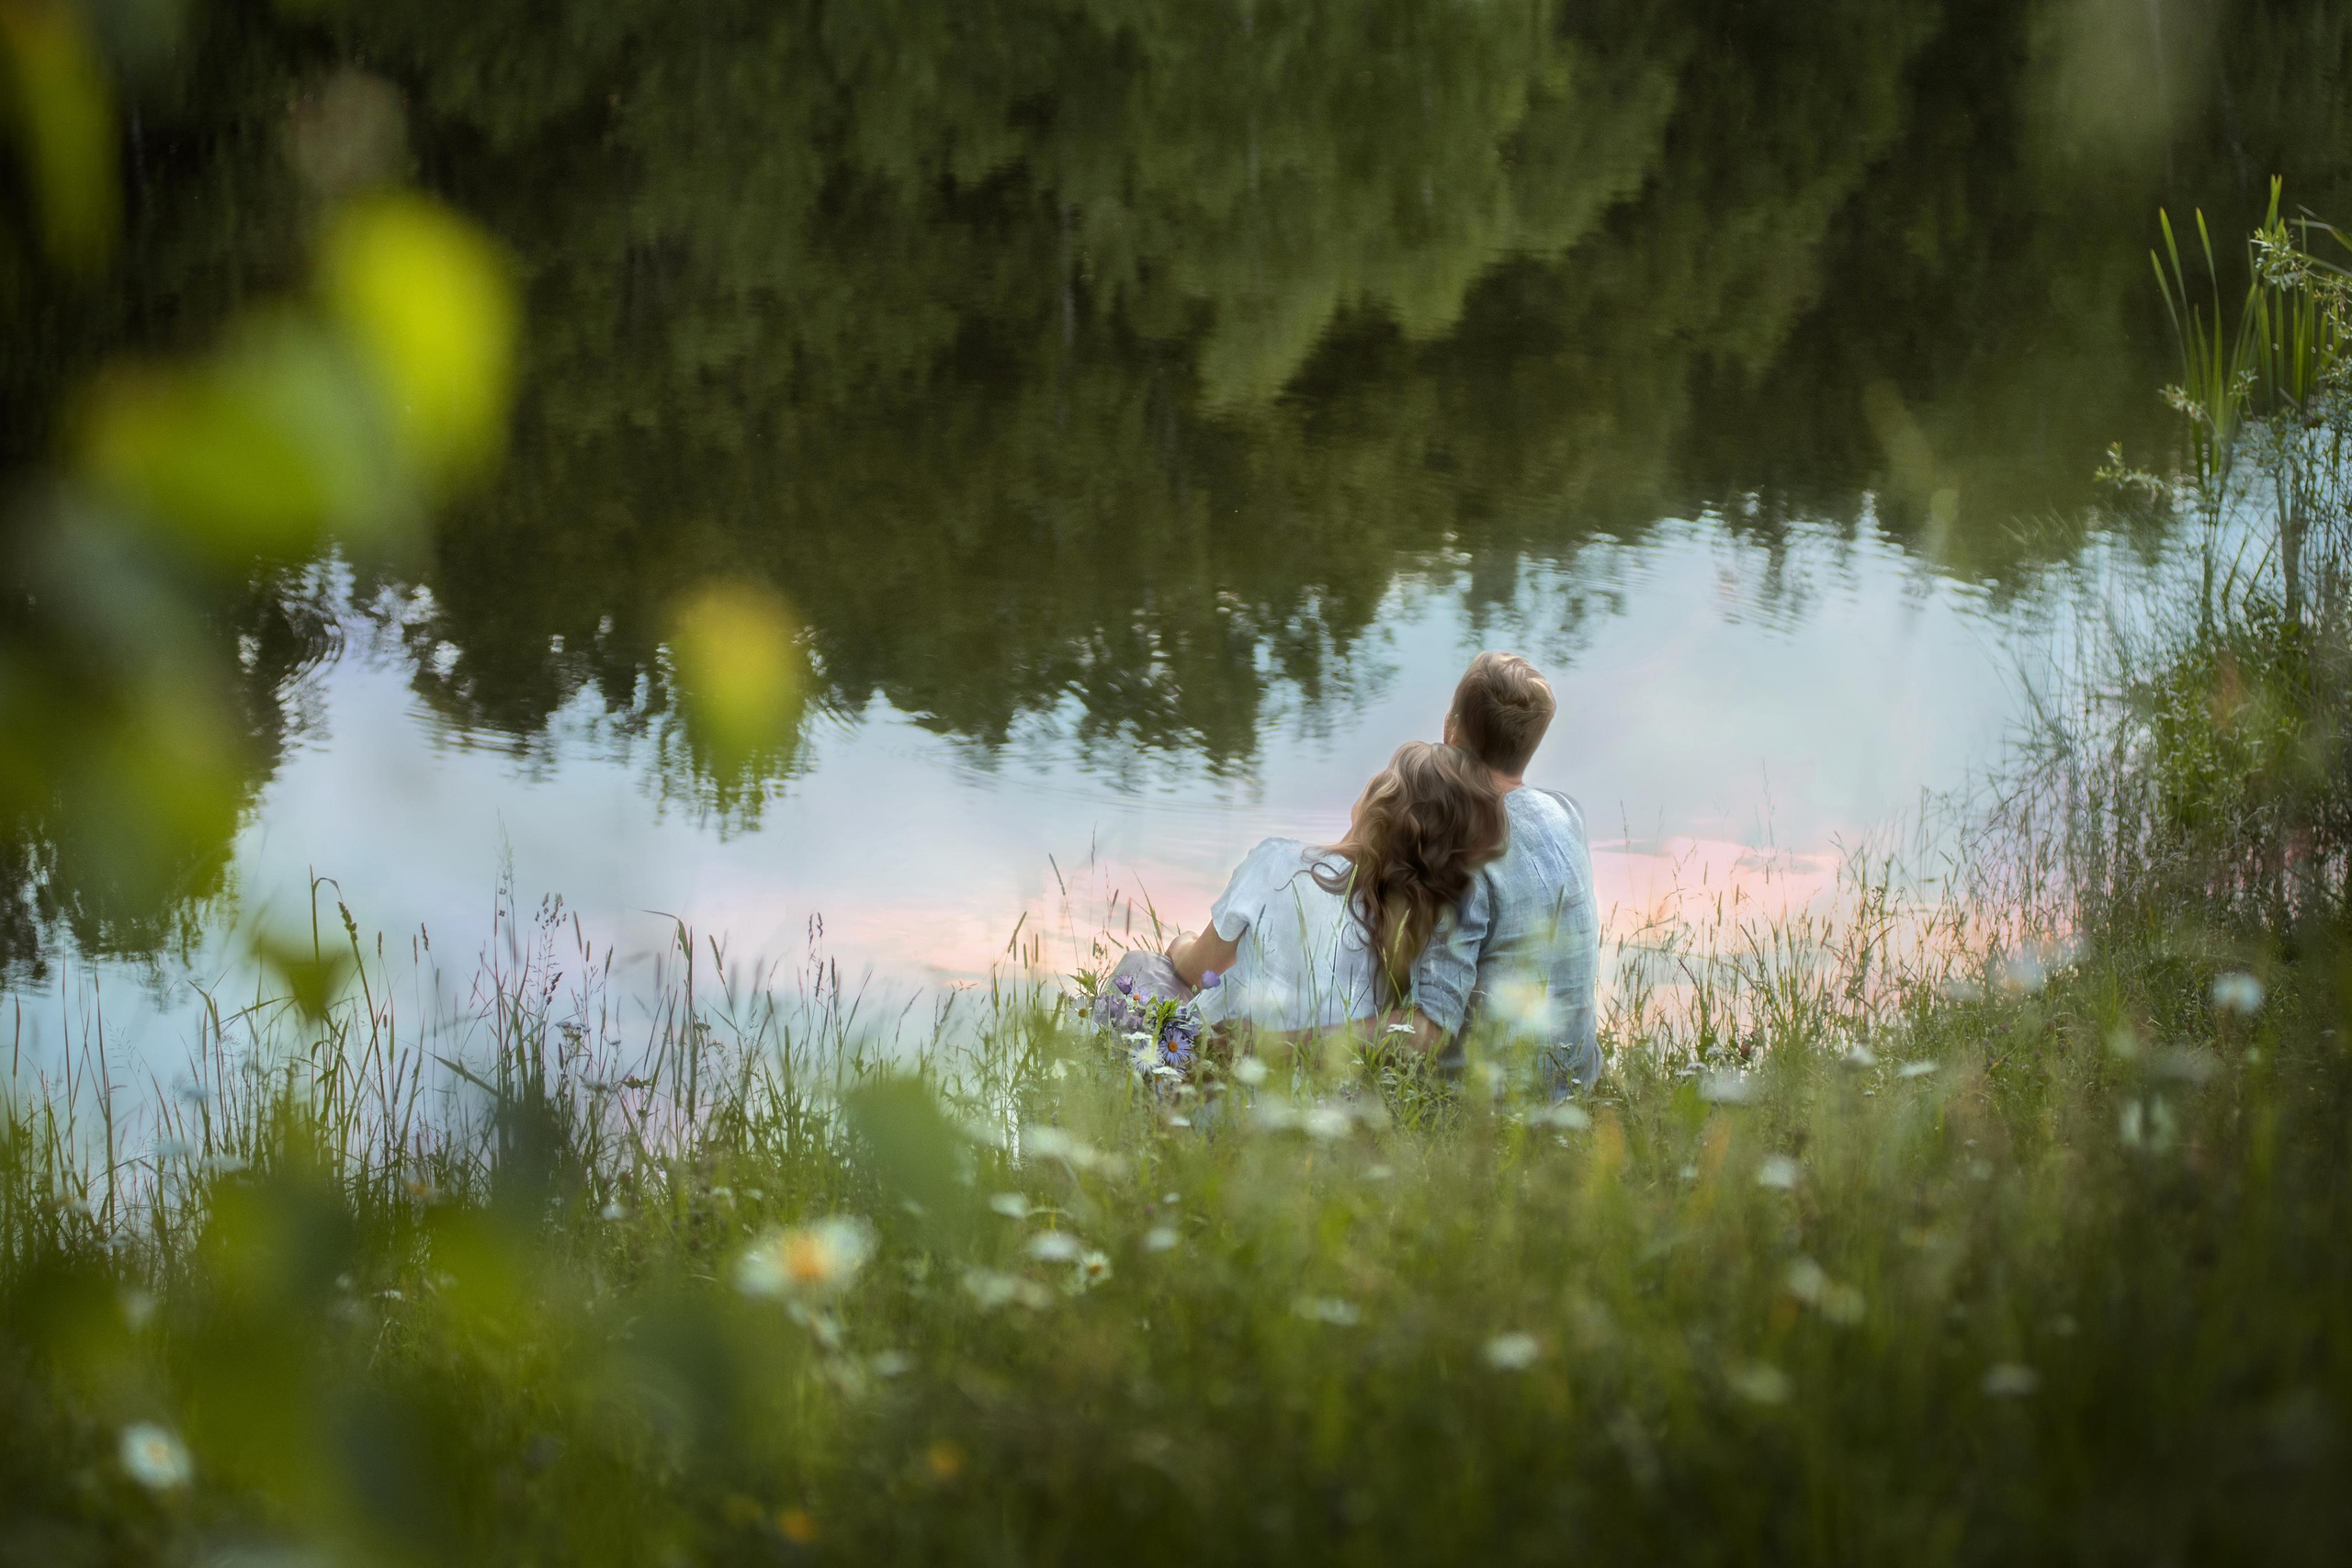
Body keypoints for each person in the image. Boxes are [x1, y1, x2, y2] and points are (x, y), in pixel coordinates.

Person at [1141, 741, 1508, 1038]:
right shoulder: (1404, 938)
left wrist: (1179, 944)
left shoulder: (1277, 861)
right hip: (1310, 1097)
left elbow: (1195, 971)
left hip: (1218, 1068)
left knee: (1146, 968)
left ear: (1380, 798)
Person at [1412, 651, 1601, 1092]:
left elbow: (1429, 1033)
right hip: (1576, 1085)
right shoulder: (1565, 812)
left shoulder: (1466, 852)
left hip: (1489, 1113)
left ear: (1449, 730)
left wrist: (1296, 1040)